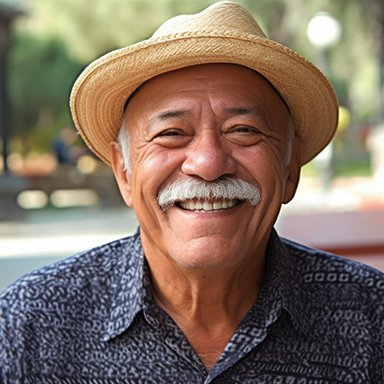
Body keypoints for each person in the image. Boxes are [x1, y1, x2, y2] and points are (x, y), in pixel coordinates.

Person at [1, 2, 383, 383]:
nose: (208, 163)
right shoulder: (28, 325)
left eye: (243, 130)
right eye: (171, 134)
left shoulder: (372, 317)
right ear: (123, 171)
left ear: (290, 167)